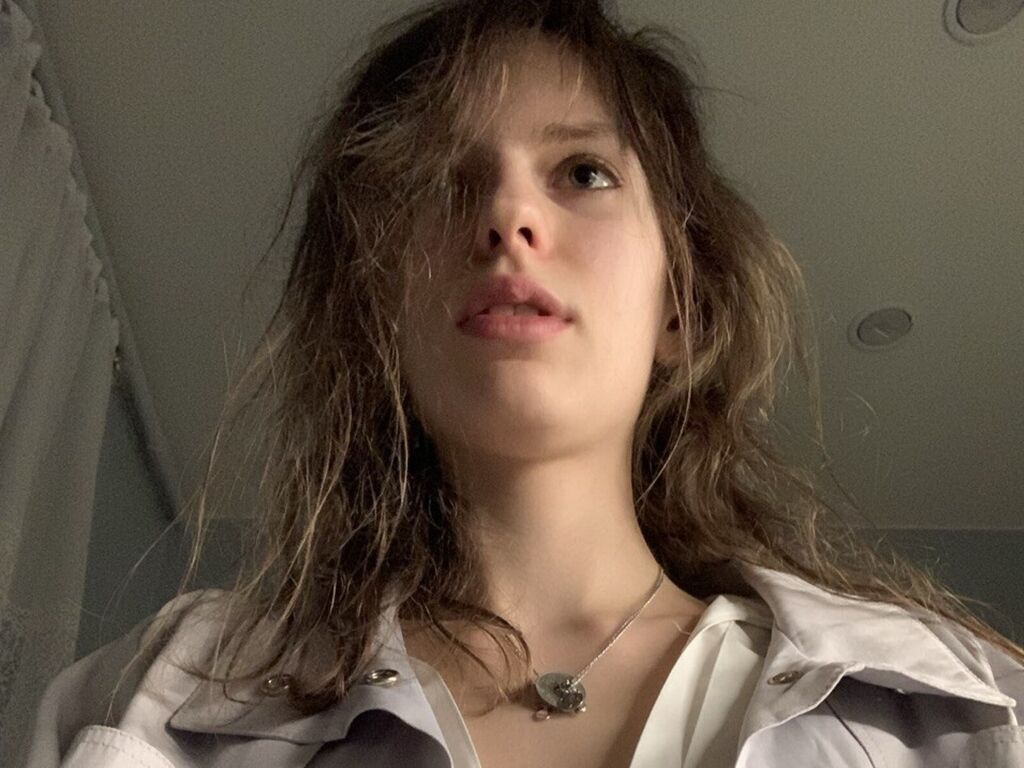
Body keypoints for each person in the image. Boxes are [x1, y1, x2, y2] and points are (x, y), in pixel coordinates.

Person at [24, 1, 1024, 766]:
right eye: (442, 184)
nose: (507, 218)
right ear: (378, 314)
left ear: (679, 307)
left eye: (583, 171)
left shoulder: (964, 714)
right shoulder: (156, 701)